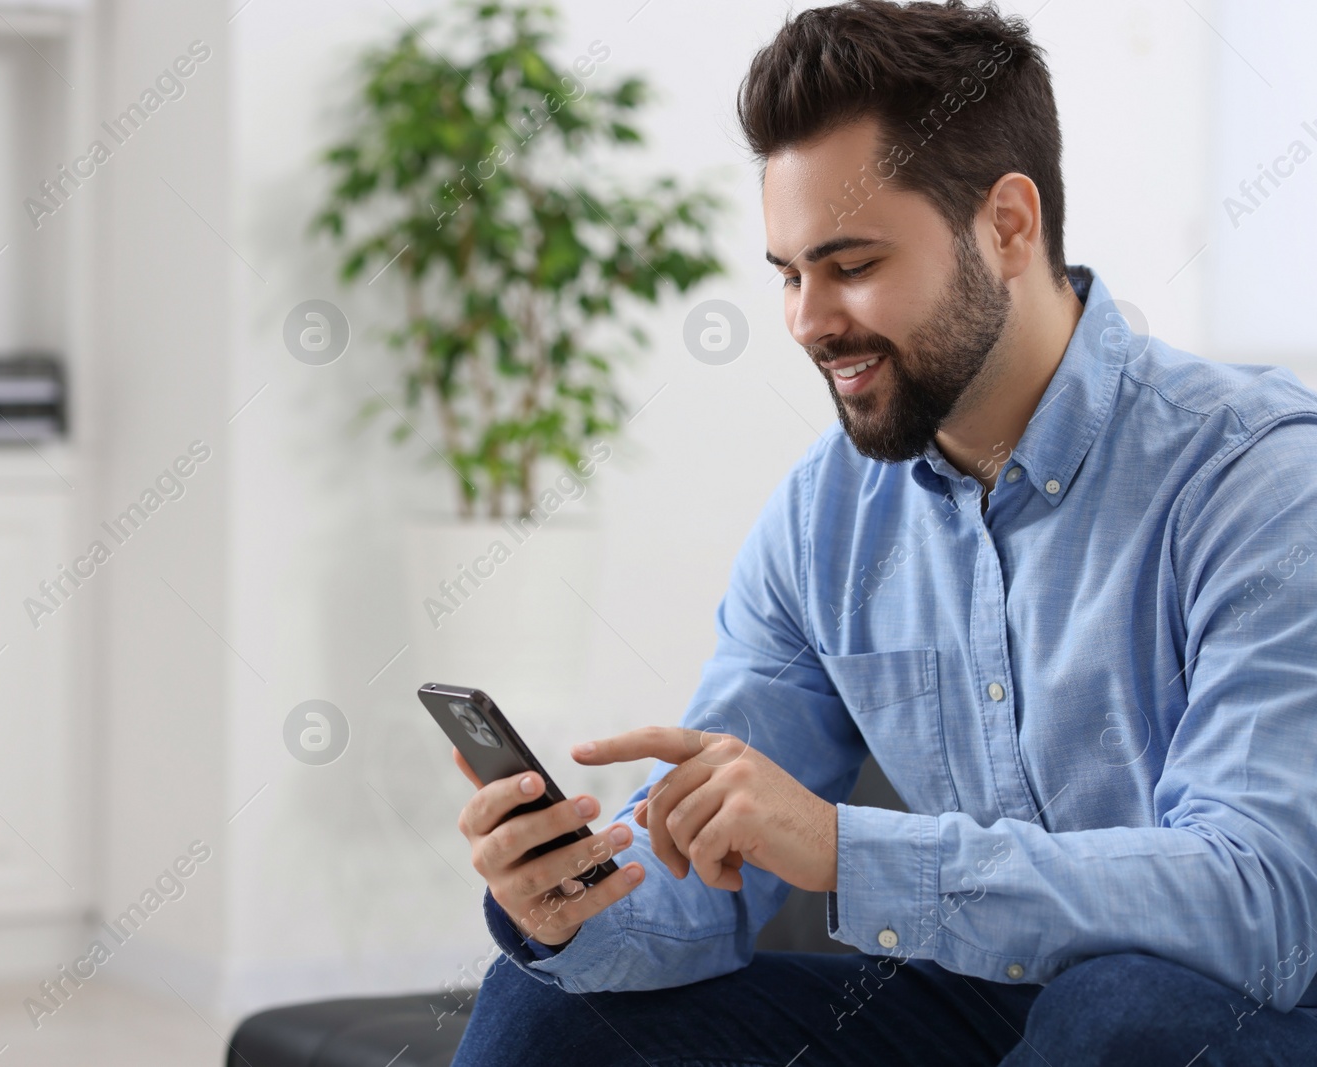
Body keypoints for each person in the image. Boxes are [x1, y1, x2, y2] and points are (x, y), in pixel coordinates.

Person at [447, 1, 1317, 1064]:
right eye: (786, 272)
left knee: (1117, 1013)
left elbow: (1261, 903)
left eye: (849, 264)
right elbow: (706, 883)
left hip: (1251, 1008)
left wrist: (847, 850)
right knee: (547, 1004)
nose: (807, 320)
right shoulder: (824, 518)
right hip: (986, 1001)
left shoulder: (1258, 477)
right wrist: (571, 902)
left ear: (1005, 225)